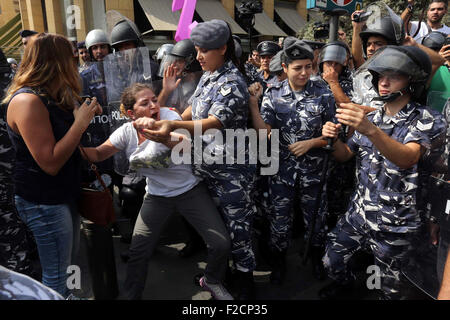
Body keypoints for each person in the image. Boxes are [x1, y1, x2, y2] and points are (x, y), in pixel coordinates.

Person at [135, 19, 257, 300]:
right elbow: (193, 108)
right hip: (206, 167)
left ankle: (245, 278)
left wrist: (174, 127)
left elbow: (213, 121)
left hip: (231, 172)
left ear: (223, 49)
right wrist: (170, 119)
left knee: (238, 226)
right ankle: (220, 272)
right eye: (198, 50)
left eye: (205, 51)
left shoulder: (232, 82)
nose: (198, 57)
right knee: (219, 229)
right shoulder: (210, 75)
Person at [82, 83, 232, 300]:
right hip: (157, 196)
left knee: (221, 243)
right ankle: (131, 295)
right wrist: (67, 147)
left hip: (190, 190)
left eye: (154, 99)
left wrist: (162, 136)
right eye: (146, 103)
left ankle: (211, 279)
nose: (155, 105)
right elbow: (97, 154)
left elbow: (188, 145)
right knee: (138, 250)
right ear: (132, 114)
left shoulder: (169, 117)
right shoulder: (127, 132)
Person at [319, 45, 446, 300]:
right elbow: (346, 154)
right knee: (331, 261)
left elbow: (408, 157)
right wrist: (329, 141)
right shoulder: (374, 118)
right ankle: (348, 286)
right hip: (359, 213)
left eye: (393, 76)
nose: (383, 82)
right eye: (380, 76)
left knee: (391, 289)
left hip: (397, 224)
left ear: (412, 81)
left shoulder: (428, 119)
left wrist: (370, 130)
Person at [2, 33, 102, 298]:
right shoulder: (28, 101)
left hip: (61, 194)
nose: (76, 63)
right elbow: (50, 163)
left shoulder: (51, 94)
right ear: (55, 62)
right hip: (43, 199)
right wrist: (80, 123)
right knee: (56, 272)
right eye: (70, 58)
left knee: (68, 263)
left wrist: (85, 113)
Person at [248, 37, 336, 283]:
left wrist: (313, 142)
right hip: (282, 174)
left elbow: (335, 132)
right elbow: (264, 134)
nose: (304, 72)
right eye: (298, 68)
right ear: (284, 68)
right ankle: (279, 265)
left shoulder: (323, 93)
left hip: (314, 173)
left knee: (317, 221)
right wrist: (254, 105)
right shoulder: (273, 95)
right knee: (279, 221)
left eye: (308, 66)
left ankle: (318, 263)